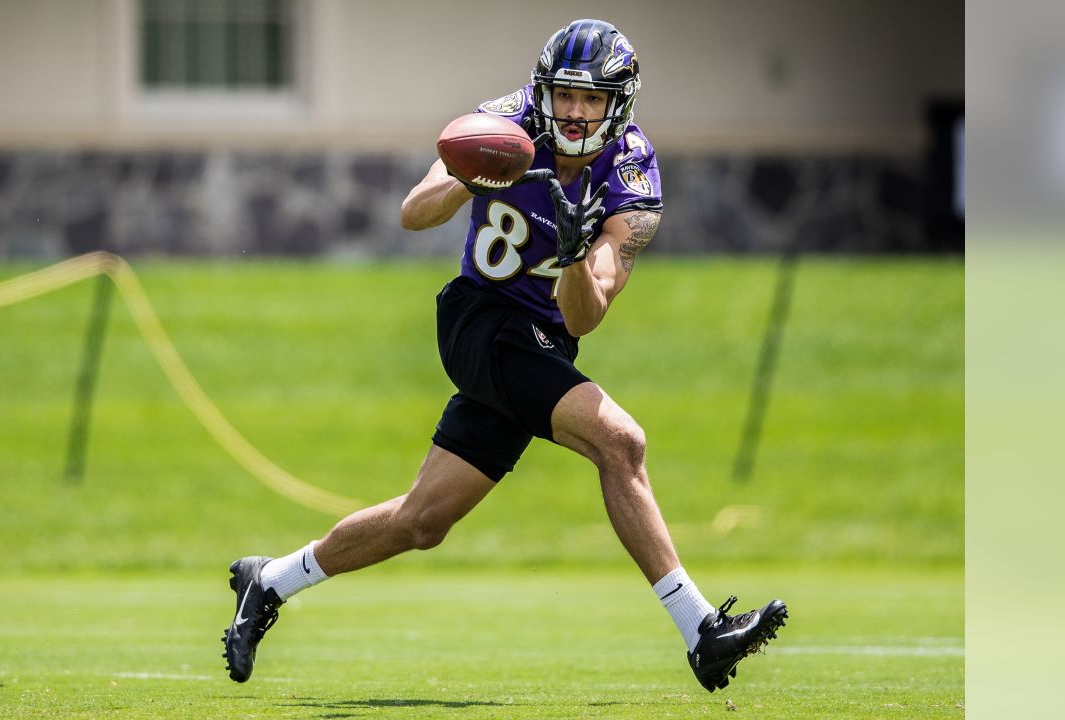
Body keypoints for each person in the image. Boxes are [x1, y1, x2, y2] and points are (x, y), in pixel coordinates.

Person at [222, 19, 786, 693]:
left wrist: (576, 255)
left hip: (546, 341)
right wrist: (471, 175)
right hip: (481, 318)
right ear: (544, 91)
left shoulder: (632, 173)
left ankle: (270, 580)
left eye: (592, 98)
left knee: (423, 521)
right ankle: (700, 630)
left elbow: (587, 314)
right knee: (620, 441)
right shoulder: (504, 124)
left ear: (619, 103)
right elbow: (413, 212)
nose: (576, 112)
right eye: (566, 94)